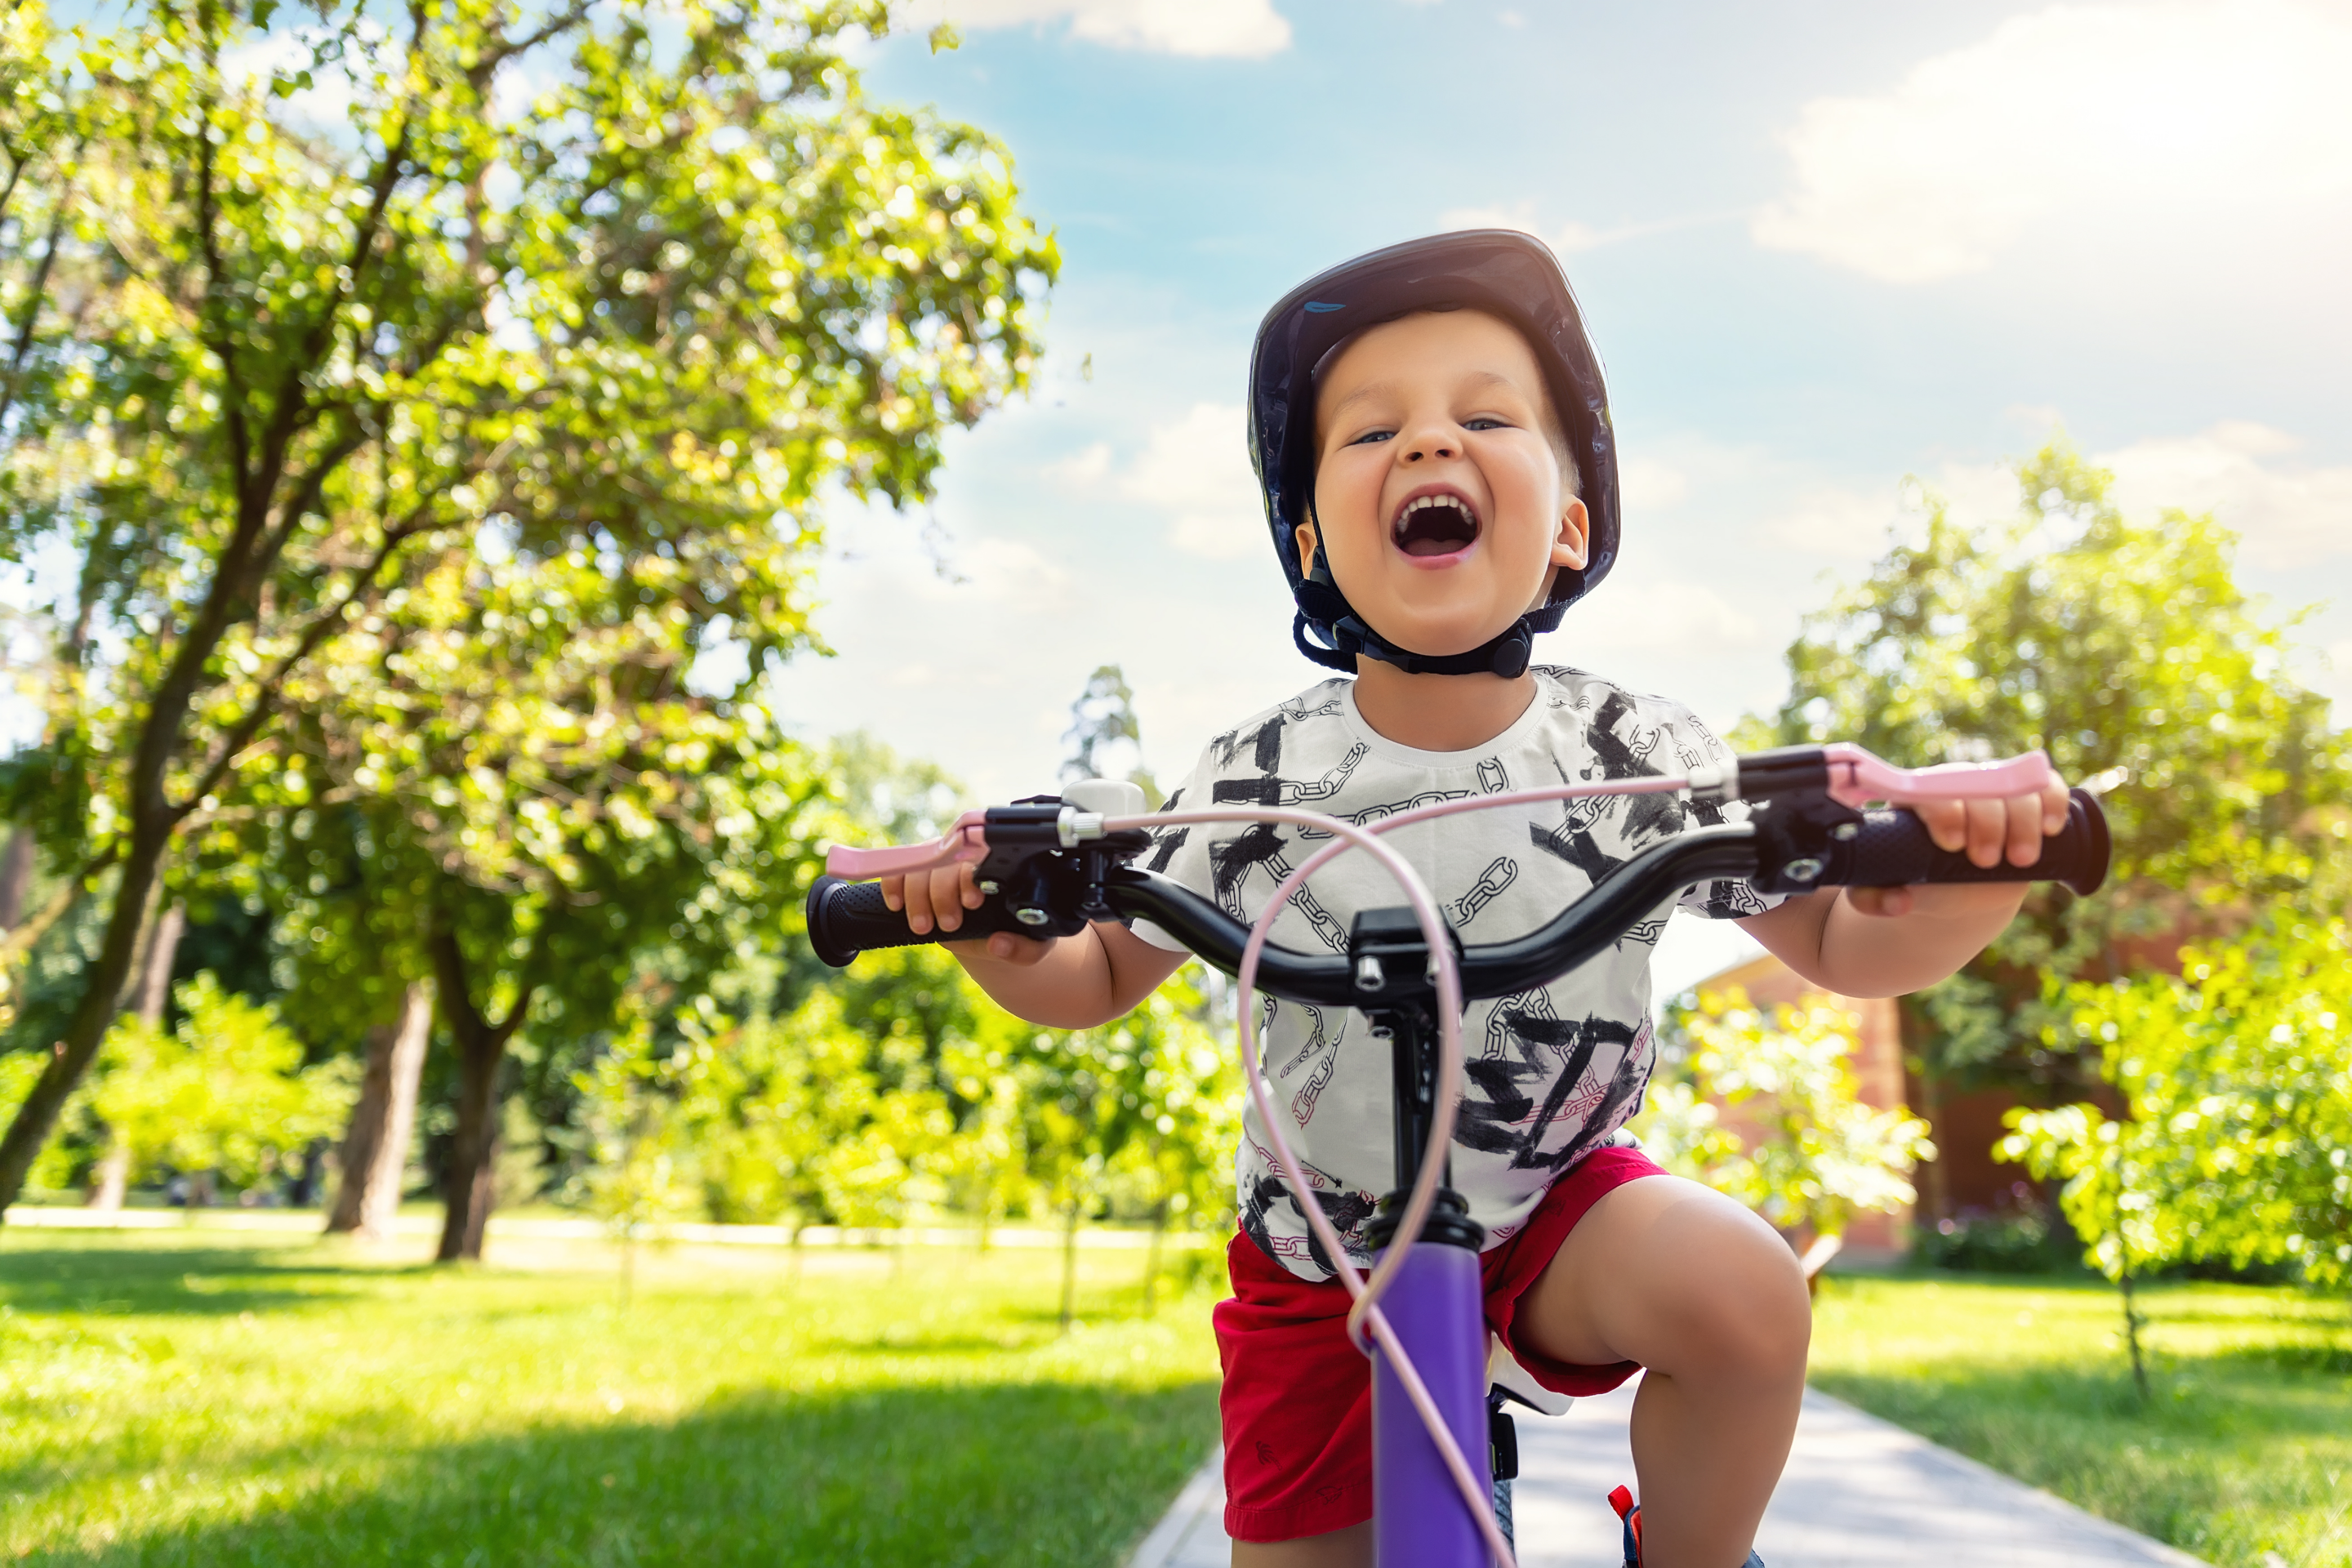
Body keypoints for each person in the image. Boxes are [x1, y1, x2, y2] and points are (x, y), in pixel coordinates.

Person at [880, 231, 2070, 1568]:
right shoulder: (1257, 776)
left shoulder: (1636, 751)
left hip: (1560, 1211)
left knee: (1741, 1293)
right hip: (1319, 1254)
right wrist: (993, 933)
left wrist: (1981, 872)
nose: (1429, 445)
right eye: (1372, 430)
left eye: (1486, 416)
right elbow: (1094, 973)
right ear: (1312, 540)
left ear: (1568, 522)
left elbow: (1849, 946)